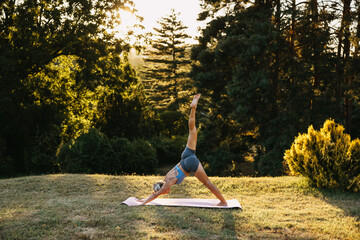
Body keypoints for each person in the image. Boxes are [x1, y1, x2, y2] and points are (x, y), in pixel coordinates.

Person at [138, 94, 227, 206]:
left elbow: (157, 194)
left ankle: (223, 202)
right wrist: (146, 198)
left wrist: (143, 203)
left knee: (207, 182)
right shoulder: (166, 177)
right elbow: (156, 192)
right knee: (192, 129)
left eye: (165, 192)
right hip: (186, 155)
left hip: (190, 163)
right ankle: (193, 108)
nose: (167, 192)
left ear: (163, 188)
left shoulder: (167, 183)